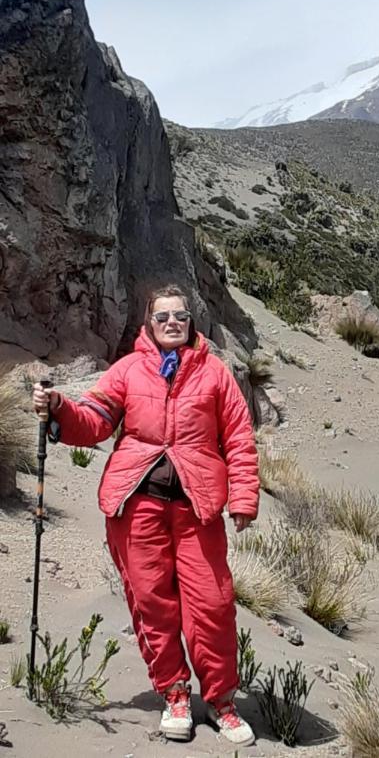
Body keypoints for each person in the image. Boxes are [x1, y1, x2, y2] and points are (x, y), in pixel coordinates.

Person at [32, 285, 259, 746]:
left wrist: (243, 498)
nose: (172, 322)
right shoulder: (129, 369)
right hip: (137, 506)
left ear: (191, 321)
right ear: (149, 323)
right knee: (152, 602)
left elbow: (238, 437)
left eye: (180, 315)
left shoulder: (215, 374)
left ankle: (222, 701)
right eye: (163, 317)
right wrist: (59, 410)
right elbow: (95, 418)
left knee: (213, 604)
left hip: (198, 507)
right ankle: (175, 694)